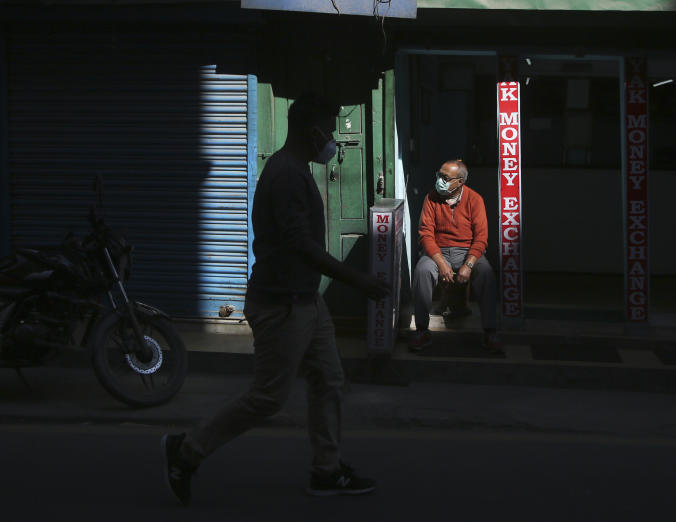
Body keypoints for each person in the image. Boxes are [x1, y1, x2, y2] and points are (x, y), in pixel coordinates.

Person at [161, 93, 389, 505]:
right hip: (282, 303)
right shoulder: (285, 173)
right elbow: (298, 243)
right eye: (330, 127)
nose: (334, 136)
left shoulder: (295, 168)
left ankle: (327, 470)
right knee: (268, 397)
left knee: (329, 380)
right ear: (312, 129)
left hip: (304, 300)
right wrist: (358, 281)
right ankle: (187, 451)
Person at [409, 159, 502, 354]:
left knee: (485, 272)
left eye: (445, 177)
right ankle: (422, 330)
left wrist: (468, 265)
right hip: (438, 252)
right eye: (439, 175)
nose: (439, 180)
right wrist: (441, 263)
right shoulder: (431, 198)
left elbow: (481, 237)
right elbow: (425, 234)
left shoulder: (475, 199)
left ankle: (490, 331)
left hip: (467, 252)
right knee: (422, 270)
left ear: (460, 182)